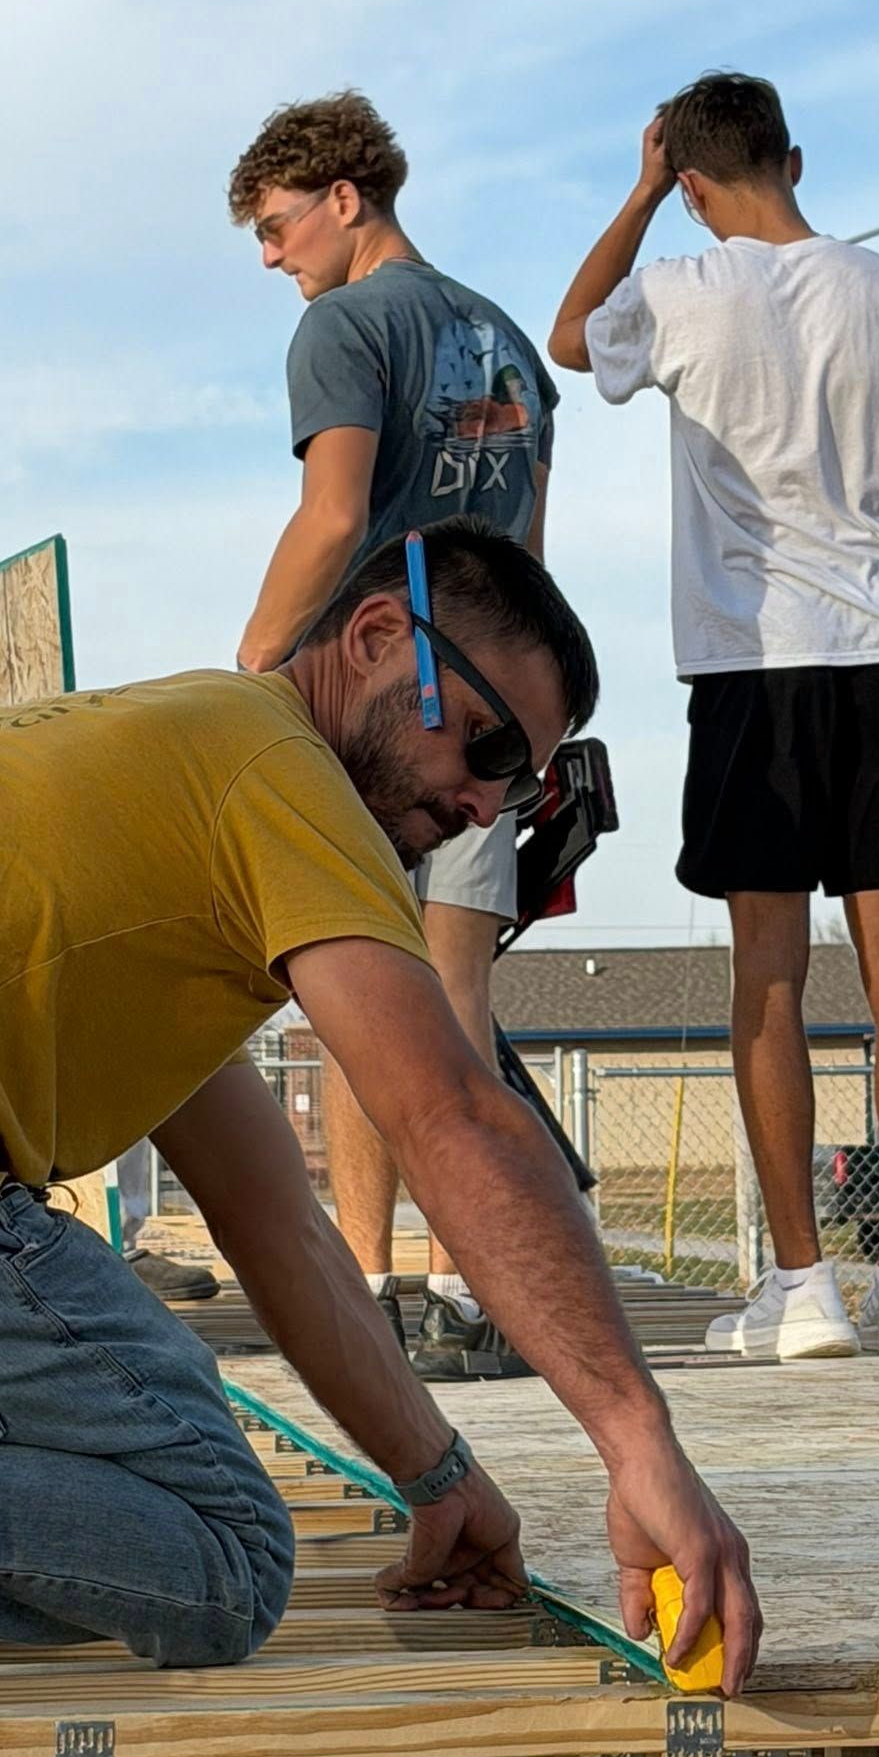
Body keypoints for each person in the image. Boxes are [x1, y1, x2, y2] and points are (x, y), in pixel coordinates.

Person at [0, 520, 760, 1723]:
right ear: (383, 636)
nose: (486, 804)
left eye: (525, 782)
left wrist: (434, 1475)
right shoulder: (279, 774)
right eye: (488, 742)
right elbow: (449, 1113)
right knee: (223, 1548)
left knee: (77, 1468)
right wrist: (636, 1436)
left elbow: (271, 1216)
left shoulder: (167, 783)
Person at [548, 71, 879, 1361]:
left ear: (689, 181)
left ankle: (804, 1287)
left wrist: (635, 196)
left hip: (752, 675)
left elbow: (574, 336)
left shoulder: (681, 289)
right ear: (794, 155)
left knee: (771, 977)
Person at [223, 88, 560, 1377]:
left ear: (345, 198)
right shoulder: (511, 344)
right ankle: (482, 1291)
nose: (270, 256)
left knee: (350, 986)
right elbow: (527, 560)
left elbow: (331, 513)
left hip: (369, 708)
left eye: (274, 224)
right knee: (458, 1002)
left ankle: (366, 1286)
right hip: (488, 710)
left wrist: (254, 666)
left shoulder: (344, 325)